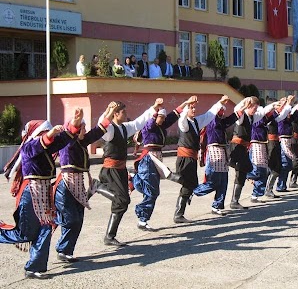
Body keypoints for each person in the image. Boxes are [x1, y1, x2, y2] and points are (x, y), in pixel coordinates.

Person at [0, 110, 83, 279]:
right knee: (26, 234)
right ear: (37, 134)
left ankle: (34, 267)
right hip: (30, 194)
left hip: (43, 193)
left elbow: (63, 139)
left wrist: (75, 123)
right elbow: (40, 144)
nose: (48, 135)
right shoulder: (29, 147)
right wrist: (51, 133)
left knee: (45, 228)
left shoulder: (47, 147)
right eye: (45, 132)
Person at [53, 102, 117, 263]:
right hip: (65, 185)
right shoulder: (67, 143)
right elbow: (71, 130)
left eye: (84, 127)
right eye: (81, 127)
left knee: (78, 219)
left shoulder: (82, 141)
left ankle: (66, 251)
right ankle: (62, 248)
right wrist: (76, 120)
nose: (84, 130)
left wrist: (110, 111)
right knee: (71, 219)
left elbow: (100, 129)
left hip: (78, 184)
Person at [98, 98, 163, 246]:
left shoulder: (123, 127)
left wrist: (154, 108)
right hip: (110, 169)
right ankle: (98, 187)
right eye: (123, 112)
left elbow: (139, 122)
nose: (126, 114)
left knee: (124, 200)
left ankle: (110, 236)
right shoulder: (109, 129)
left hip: (120, 169)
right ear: (115, 114)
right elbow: (102, 124)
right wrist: (107, 111)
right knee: (122, 200)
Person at [133, 97, 195, 230]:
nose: (162, 119)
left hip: (156, 159)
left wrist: (186, 103)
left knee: (151, 190)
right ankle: (142, 218)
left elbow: (174, 114)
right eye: (160, 117)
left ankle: (134, 180)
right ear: (155, 116)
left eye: (163, 117)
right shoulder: (149, 126)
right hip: (148, 160)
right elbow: (150, 119)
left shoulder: (161, 126)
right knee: (152, 191)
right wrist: (156, 107)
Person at [189, 98, 250, 217]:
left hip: (222, 151)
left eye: (223, 110)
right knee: (214, 180)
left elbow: (231, 119)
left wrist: (243, 108)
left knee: (223, 181)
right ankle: (194, 191)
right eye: (220, 110)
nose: (222, 112)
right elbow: (222, 116)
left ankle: (217, 205)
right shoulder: (211, 120)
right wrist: (220, 103)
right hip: (214, 150)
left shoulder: (221, 121)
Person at [174, 95, 230, 221]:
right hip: (184, 158)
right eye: (191, 108)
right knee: (188, 184)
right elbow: (182, 119)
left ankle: (179, 213)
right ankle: (178, 214)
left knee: (191, 184)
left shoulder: (196, 122)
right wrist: (186, 103)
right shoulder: (184, 123)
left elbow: (209, 115)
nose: (193, 110)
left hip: (191, 158)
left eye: (194, 108)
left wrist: (220, 103)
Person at [228, 96, 271, 209]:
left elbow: (263, 112)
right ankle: (234, 201)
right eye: (254, 108)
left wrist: (274, 106)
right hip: (236, 147)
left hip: (244, 148)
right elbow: (237, 108)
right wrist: (245, 102)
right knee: (244, 170)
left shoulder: (253, 117)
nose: (256, 111)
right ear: (249, 107)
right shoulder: (241, 116)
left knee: (243, 173)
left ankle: (234, 201)